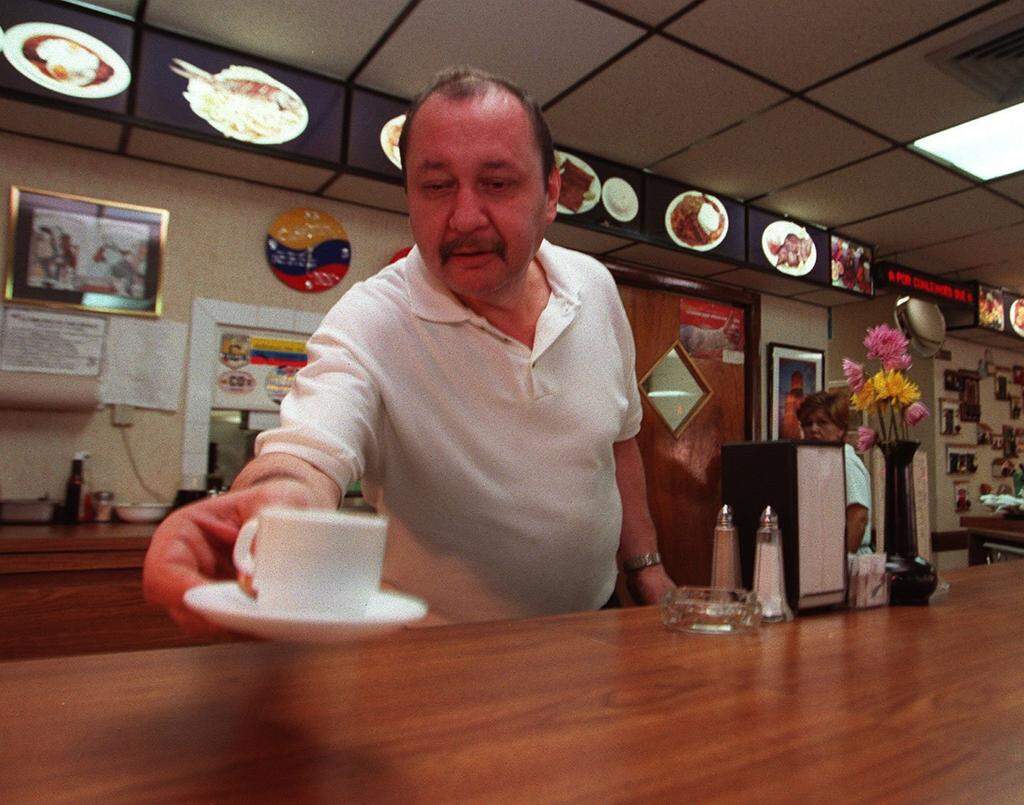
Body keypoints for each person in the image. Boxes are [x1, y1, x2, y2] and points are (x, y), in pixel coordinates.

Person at [143, 67, 675, 634]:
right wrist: (276, 508)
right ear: (410, 198)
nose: (465, 217)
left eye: (496, 183)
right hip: (437, 651)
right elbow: (308, 449)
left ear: (549, 194)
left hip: (592, 627)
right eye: (437, 186)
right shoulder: (371, 319)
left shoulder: (594, 287)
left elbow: (619, 441)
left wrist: (646, 567)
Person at [796, 390, 872, 554]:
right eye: (808, 423)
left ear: (840, 429)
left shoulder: (847, 462)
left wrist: (841, 563)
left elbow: (858, 517)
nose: (814, 429)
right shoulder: (816, 462)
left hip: (848, 561)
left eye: (822, 423)